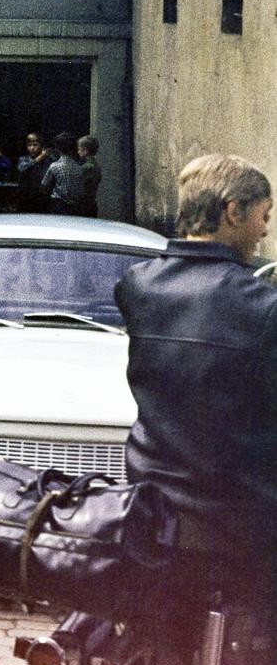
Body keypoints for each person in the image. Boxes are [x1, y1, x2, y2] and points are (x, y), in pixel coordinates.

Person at [114, 154, 277, 626]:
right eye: (264, 216)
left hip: (151, 495)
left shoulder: (137, 285)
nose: (264, 231)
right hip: (235, 514)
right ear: (233, 212)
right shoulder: (261, 306)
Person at [40, 130, 87, 214]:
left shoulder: (54, 166)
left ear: (57, 148)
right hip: (76, 206)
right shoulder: (79, 167)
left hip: (57, 205)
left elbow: (44, 186)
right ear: (73, 149)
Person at [16, 130, 54, 213]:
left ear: (42, 147)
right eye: (29, 145)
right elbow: (22, 169)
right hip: (25, 198)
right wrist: (40, 157)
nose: (32, 148)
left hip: (42, 199)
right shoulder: (23, 159)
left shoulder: (48, 161)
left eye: (35, 145)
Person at [78, 134, 102, 217]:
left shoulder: (86, 168)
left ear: (85, 150)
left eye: (79, 149)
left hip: (84, 206)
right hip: (91, 204)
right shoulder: (96, 165)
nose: (78, 152)